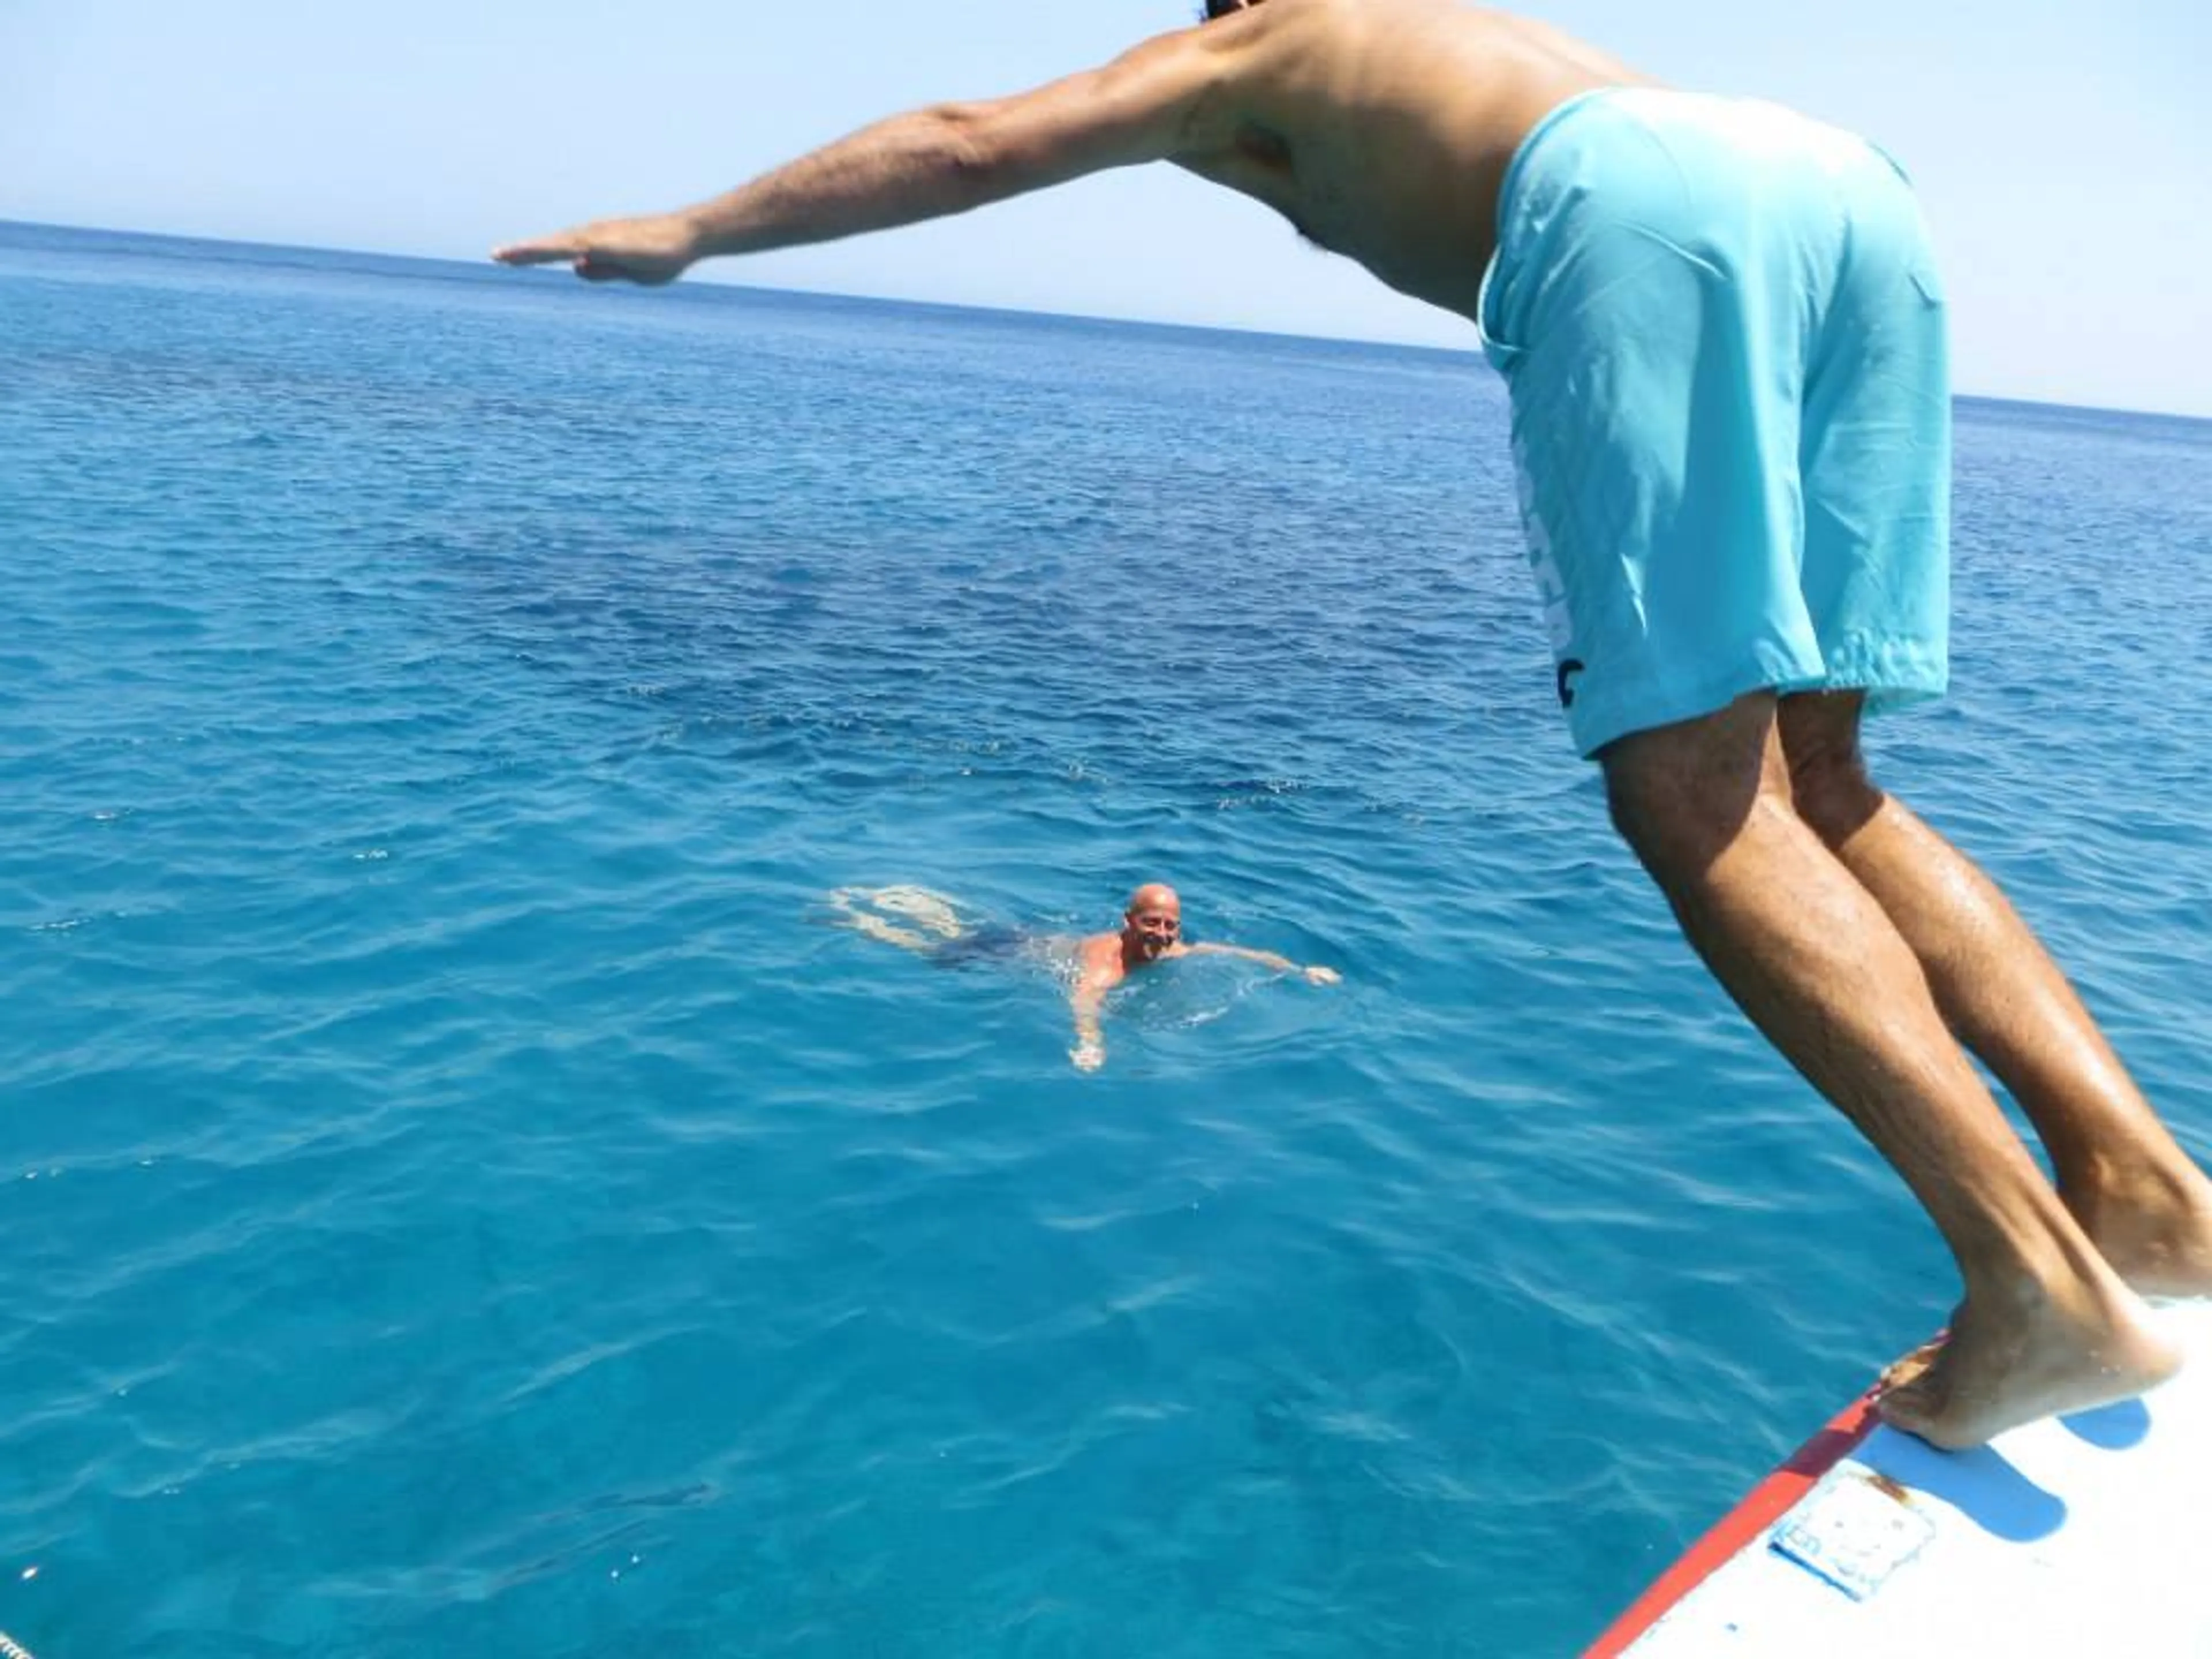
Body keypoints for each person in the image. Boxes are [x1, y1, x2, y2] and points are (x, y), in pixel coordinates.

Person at [495, 0, 2212, 1448]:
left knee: (1691, 798)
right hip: (1841, 191)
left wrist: (691, 229)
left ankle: (2029, 1287)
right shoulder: (1452, 48)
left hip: (1638, 212)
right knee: (1824, 782)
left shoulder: (1263, 44)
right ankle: (2136, 1192)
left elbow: (965, 136)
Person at [828, 882, 1340, 1072]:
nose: (1163, 933)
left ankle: (899, 897)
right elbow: (1084, 997)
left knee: (954, 931)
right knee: (933, 950)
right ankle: (860, 918)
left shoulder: (1172, 949)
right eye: (1152, 923)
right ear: (1128, 922)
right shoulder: (1110, 960)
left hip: (1027, 936)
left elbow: (1240, 951)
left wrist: (1299, 969)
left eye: (1170, 924)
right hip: (1013, 952)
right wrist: (1089, 1043)